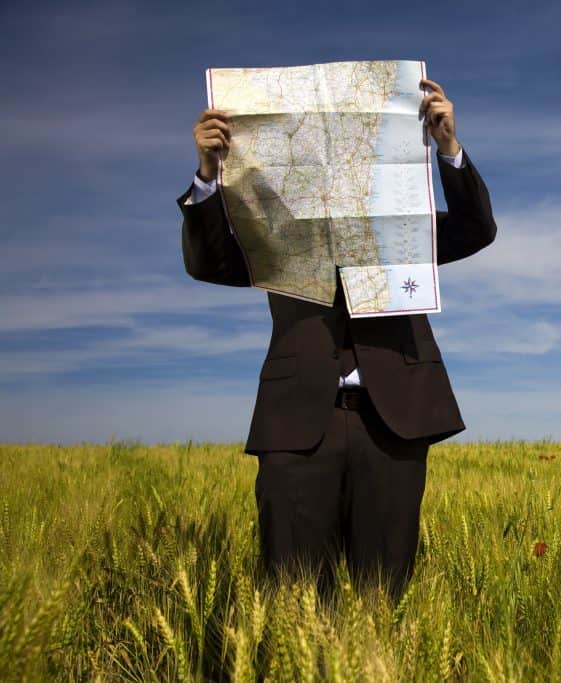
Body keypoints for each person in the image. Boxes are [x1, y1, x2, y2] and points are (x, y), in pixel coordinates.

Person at [176, 78, 497, 604]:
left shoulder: (403, 229)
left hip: (394, 421)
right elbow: (209, 261)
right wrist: (209, 175)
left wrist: (448, 148)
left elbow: (476, 229)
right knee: (294, 597)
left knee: (384, 599)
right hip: (298, 423)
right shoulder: (274, 233)